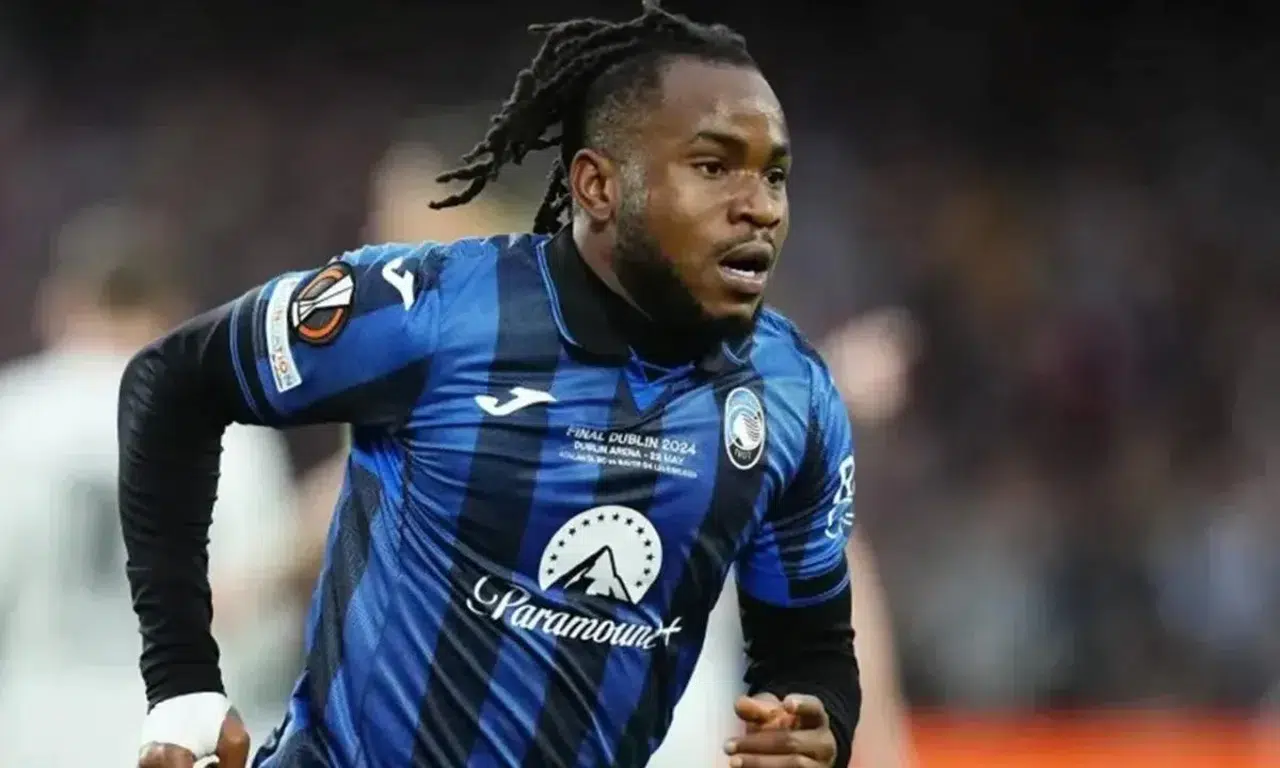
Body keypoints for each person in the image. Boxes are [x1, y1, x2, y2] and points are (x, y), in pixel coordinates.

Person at [119, 3, 861, 767]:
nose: (760, 206)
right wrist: (182, 681)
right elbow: (173, 380)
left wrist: (817, 723)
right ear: (598, 186)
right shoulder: (429, 309)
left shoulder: (788, 392)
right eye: (712, 167)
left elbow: (809, 645)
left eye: (774, 175)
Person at [0, 204, 298, 766]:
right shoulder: (234, 430)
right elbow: (264, 618)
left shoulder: (13, 414)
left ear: (58, 302)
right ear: (178, 311)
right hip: (176, 739)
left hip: (31, 729)